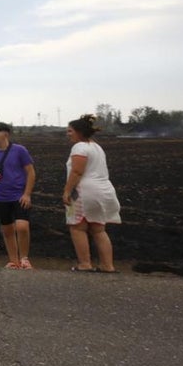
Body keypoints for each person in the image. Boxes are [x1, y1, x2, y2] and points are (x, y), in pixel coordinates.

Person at [62, 114, 122, 272]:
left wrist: (67, 191)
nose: (68, 134)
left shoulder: (79, 147)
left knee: (77, 227)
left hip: (85, 192)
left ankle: (84, 264)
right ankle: (108, 266)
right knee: (98, 229)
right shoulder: (97, 147)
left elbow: (76, 171)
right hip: (104, 191)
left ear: (79, 132)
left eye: (70, 131)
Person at [0, 122, 36, 269]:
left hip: (19, 195)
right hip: (0, 197)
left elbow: (30, 172)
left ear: (6, 134)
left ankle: (24, 258)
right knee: (7, 229)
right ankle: (14, 261)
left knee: (22, 226)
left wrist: (27, 194)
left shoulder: (20, 150)